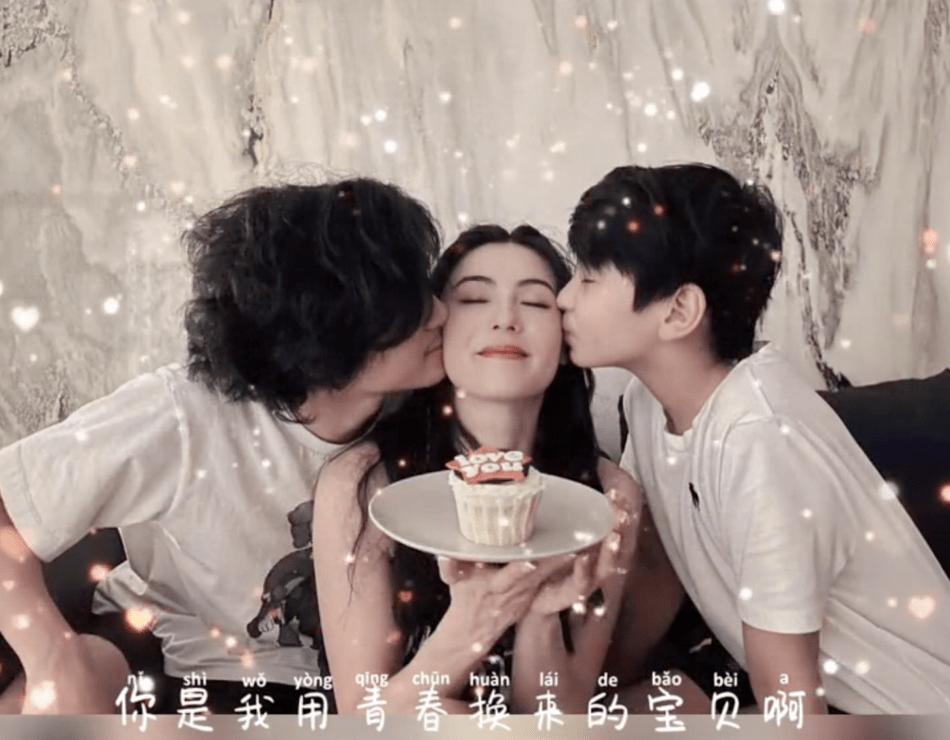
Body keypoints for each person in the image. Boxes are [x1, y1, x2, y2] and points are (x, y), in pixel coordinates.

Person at [0, 178, 449, 714]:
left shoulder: (429, 416)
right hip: (179, 663)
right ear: (329, 320)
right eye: (408, 302)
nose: (441, 314)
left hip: (353, 688)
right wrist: (51, 655)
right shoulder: (183, 416)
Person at [556, 162, 950, 714]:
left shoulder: (759, 442)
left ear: (679, 311)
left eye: (590, 278)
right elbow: (657, 572)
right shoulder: (648, 401)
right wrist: (597, 695)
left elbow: (789, 696)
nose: (564, 298)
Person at [312, 224, 643, 715]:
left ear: (565, 339)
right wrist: (474, 620)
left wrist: (540, 615)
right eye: (473, 299)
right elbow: (364, 716)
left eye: (535, 303)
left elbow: (556, 717)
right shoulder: (361, 484)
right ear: (435, 328)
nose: (506, 320)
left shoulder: (608, 498)